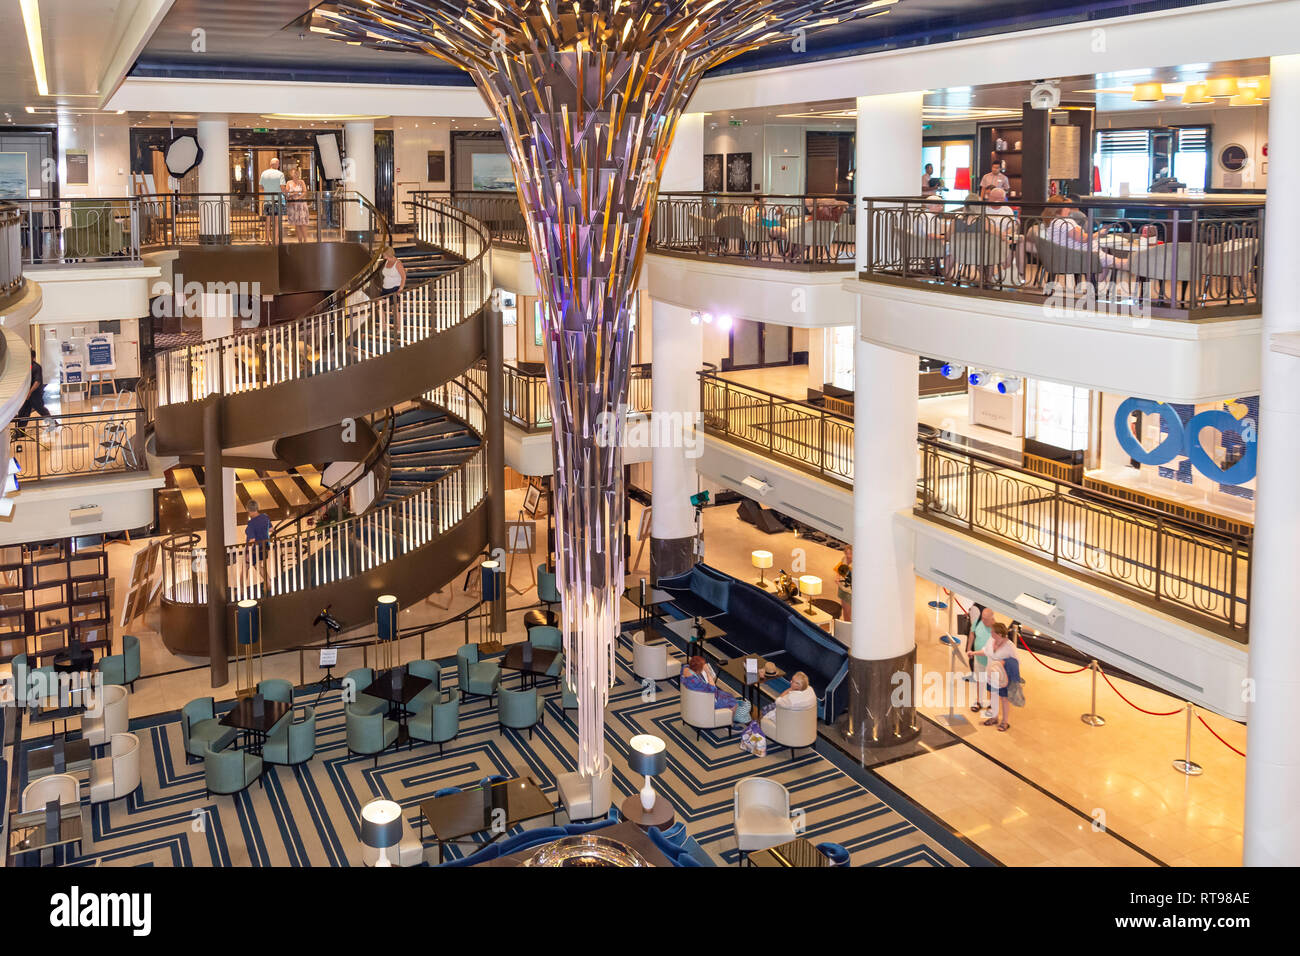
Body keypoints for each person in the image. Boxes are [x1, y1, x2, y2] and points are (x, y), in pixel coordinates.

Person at [982, 623, 1021, 732]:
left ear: (999, 634)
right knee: (993, 696)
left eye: (993, 632)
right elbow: (986, 651)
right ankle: (994, 717)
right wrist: (974, 653)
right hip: (991, 675)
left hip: (1003, 678)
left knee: (1004, 699)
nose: (991, 633)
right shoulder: (991, 640)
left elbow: (1016, 662)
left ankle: (1005, 722)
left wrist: (1004, 662)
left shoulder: (1010, 646)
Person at [967, 604, 995, 714]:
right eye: (982, 618)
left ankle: (992, 704)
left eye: (986, 619)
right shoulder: (978, 622)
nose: (983, 620)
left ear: (992, 619)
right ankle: (979, 701)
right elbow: (972, 633)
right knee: (979, 680)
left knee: (991, 684)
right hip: (979, 659)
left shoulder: (996, 628)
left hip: (991, 662)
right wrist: (969, 648)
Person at [16, 349, 50, 426]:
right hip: (27, 395)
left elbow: (37, 382)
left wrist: (30, 392)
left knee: (41, 410)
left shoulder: (36, 367)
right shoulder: (26, 368)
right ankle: (20, 431)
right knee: (23, 412)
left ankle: (53, 424)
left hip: (35, 394)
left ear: (32, 357)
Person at [244, 500, 272, 586]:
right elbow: (271, 529)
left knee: (246, 567)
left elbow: (252, 540)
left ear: (248, 510)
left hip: (254, 549)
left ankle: (241, 589)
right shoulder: (265, 517)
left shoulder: (251, 523)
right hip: (264, 546)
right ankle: (268, 582)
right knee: (258, 565)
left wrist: (248, 552)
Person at [259, 157, 286, 243]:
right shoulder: (280, 174)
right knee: (277, 222)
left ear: (270, 164)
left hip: (267, 200)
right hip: (277, 201)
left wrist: (268, 188)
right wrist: (287, 193)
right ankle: (275, 240)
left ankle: (267, 240)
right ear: (277, 165)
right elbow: (282, 188)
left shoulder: (264, 173)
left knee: (268, 221)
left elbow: (260, 187)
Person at [283, 167, 309, 243]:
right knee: (297, 223)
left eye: (296, 173)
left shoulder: (302, 182)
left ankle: (305, 240)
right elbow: (286, 193)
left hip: (301, 205)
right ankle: (299, 240)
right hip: (293, 205)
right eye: (293, 173)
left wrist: (298, 197)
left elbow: (304, 192)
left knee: (303, 223)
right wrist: (291, 195)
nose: (295, 175)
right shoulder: (289, 182)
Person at [835, 545, 852, 623]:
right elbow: (840, 570)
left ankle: (849, 627)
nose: (848, 556)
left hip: (850, 590)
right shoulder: (844, 559)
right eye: (847, 553)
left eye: (851, 554)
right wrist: (837, 577)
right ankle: (846, 624)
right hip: (842, 587)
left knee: (849, 612)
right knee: (844, 609)